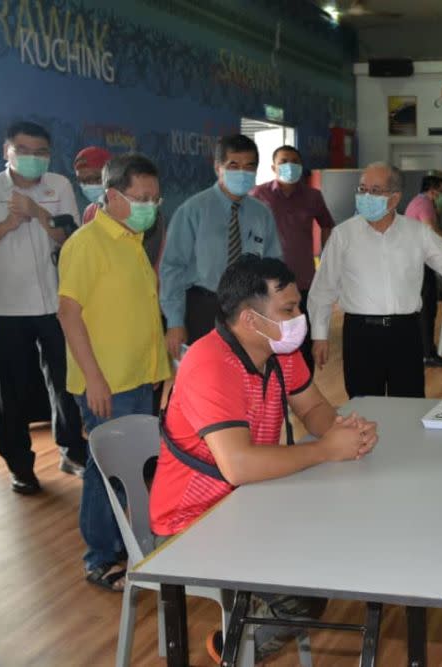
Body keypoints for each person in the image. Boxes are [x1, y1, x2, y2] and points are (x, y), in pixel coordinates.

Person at [148, 254, 378, 663]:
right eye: (288, 310)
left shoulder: (279, 350)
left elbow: (313, 409)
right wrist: (325, 449)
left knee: (335, 545)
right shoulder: (210, 364)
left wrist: (344, 432)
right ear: (250, 320)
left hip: (252, 500)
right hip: (193, 520)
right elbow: (238, 465)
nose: (299, 318)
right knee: (304, 595)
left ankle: (245, 618)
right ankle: (232, 647)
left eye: (298, 307)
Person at [308, 163, 442, 399]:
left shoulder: (416, 233)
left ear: (395, 197)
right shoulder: (343, 235)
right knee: (364, 407)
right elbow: (323, 288)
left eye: (375, 190)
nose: (366, 196)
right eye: (362, 189)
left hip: (405, 333)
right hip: (361, 334)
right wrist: (320, 335)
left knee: (408, 405)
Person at [57, 153, 173, 591]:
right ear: (111, 196)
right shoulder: (86, 244)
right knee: (106, 470)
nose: (150, 205)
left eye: (155, 198)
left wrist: (158, 366)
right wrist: (95, 380)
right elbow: (69, 314)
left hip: (139, 377)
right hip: (109, 384)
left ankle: (128, 544)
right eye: (141, 197)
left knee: (132, 466)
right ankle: (101, 556)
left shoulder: (132, 239)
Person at [0, 121, 87, 494]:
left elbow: (73, 238)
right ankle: (19, 465)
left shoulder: (58, 186)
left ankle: (72, 450)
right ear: (6, 152)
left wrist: (37, 213)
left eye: (40, 152)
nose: (33, 158)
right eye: (24, 150)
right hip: (7, 306)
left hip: (55, 301)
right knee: (11, 390)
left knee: (64, 382)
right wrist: (7, 224)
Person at [159, 134, 282, 359]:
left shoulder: (262, 214)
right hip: (203, 308)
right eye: (233, 165)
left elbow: (274, 268)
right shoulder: (192, 211)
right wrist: (175, 322)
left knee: (247, 374)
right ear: (218, 168)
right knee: (206, 378)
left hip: (250, 309)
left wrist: (274, 313)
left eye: (249, 167)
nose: (242, 173)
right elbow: (172, 269)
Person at [250, 145, 335, 373]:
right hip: (268, 285)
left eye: (295, 161)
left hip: (303, 281)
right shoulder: (259, 194)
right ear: (273, 167)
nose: (290, 166)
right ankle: (272, 394)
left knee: (302, 340)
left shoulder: (312, 196)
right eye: (284, 161)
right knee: (270, 340)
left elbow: (327, 224)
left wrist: (324, 257)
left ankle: (303, 387)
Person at [405, 174, 442, 367]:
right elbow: (431, 229)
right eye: (440, 192)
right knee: (427, 308)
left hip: (416, 260)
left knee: (423, 308)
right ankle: (427, 354)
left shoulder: (418, 201)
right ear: (432, 190)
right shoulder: (424, 204)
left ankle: (422, 351)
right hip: (418, 263)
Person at [74, 146, 112, 223]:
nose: (90, 185)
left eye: (95, 178)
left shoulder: (130, 210)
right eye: (83, 181)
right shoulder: (89, 212)